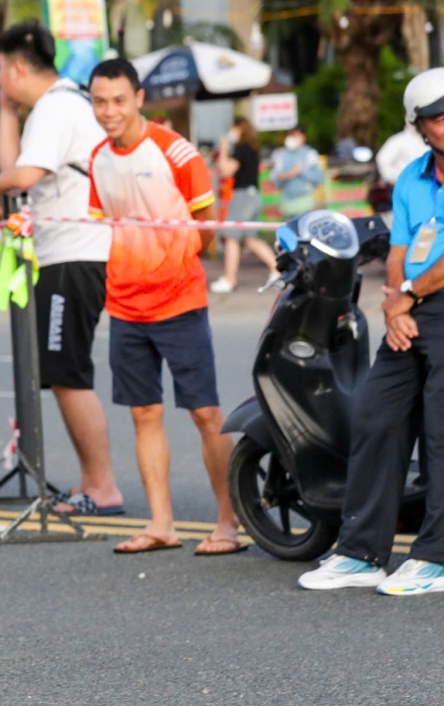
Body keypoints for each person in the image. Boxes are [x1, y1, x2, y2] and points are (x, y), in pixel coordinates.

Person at [85, 59, 245, 556]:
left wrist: (167, 259)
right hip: (125, 306)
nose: (109, 111)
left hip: (179, 301)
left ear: (138, 98)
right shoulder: (97, 157)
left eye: (118, 100)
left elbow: (208, 224)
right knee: (143, 414)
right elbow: (102, 223)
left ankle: (228, 524)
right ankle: (161, 525)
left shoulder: (176, 152)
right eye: (99, 102)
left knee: (205, 413)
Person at [299, 68, 444, 595]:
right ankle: (361, 552)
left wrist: (408, 293)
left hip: (429, 297)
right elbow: (399, 251)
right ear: (420, 127)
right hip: (414, 302)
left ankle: (437, 556)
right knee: (376, 415)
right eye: (438, 118)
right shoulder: (412, 179)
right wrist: (394, 303)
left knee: (440, 428)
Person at [0, 21, 124, 517]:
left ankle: (100, 487)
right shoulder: (52, 106)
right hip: (65, 255)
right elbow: (16, 165)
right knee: (63, 370)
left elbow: (23, 176)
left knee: (68, 371)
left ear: (16, 67)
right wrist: (5, 109)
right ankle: (94, 483)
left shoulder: (59, 107)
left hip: (76, 255)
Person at [209, 117, 280, 294]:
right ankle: (277, 270)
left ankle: (230, 279)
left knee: (231, 236)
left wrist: (224, 149)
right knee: (250, 238)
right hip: (253, 195)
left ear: (239, 128)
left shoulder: (241, 149)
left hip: (242, 197)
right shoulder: (252, 149)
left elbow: (226, 170)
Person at [270, 125, 326, 217]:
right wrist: (286, 176)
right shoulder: (281, 155)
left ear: (303, 137)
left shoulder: (310, 154)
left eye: (295, 135)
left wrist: (301, 171)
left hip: (305, 203)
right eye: (290, 135)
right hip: (287, 204)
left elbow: (318, 178)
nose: (292, 138)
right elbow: (275, 179)